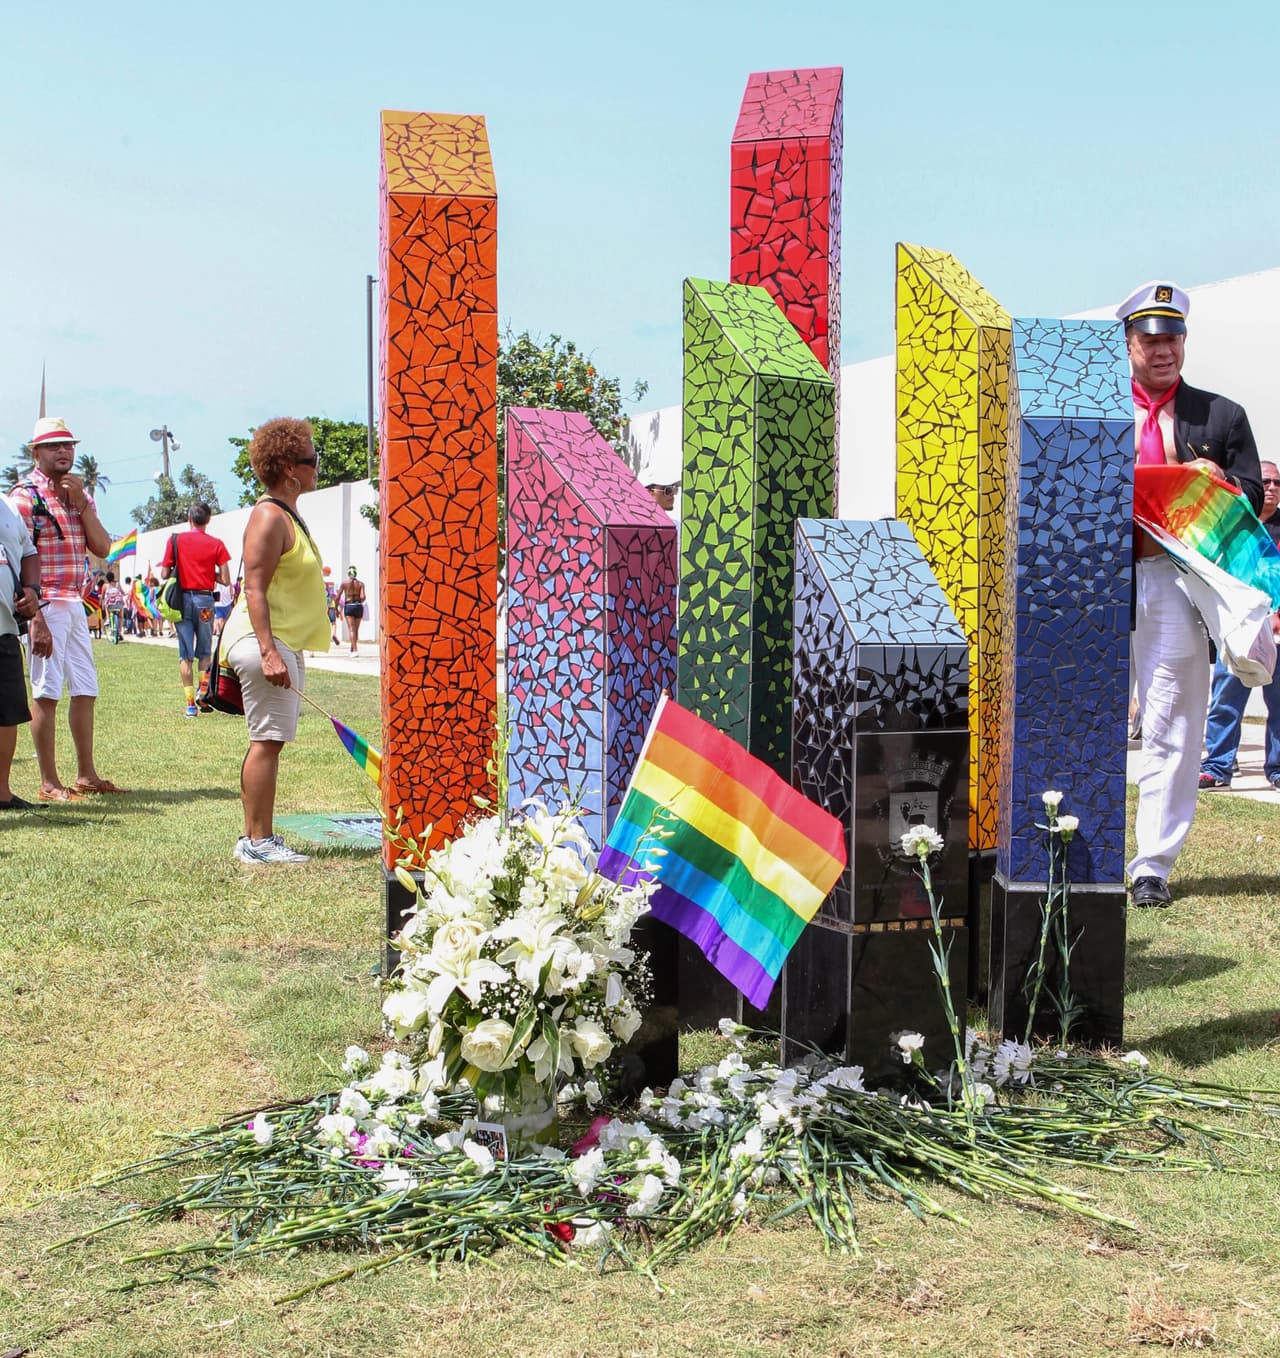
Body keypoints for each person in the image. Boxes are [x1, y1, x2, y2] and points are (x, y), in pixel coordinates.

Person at [1120, 282, 1262, 908]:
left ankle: (1152, 865)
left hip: (1175, 585)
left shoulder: (1221, 415)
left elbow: (1254, 494)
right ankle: (1072, 848)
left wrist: (1220, 480)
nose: (1164, 350)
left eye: (1173, 338)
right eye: (1151, 339)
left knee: (1173, 725)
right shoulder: (1095, 409)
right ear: (1129, 342)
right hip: (1096, 582)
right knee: (1085, 718)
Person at [221, 417, 329, 864]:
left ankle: (255, 838)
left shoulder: (287, 515)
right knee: (266, 740)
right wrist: (268, 651)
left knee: (269, 740)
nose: (317, 466)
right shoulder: (268, 516)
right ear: (288, 468)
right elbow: (254, 588)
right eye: (311, 459)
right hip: (262, 639)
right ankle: (258, 842)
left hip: (281, 639)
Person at [6, 417, 125, 801]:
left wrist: (84, 504)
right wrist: (35, 615)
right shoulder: (24, 497)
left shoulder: (78, 494)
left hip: (74, 601)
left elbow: (103, 547)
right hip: (46, 603)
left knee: (86, 688)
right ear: (36, 453)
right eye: (54, 446)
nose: (63, 451)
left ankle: (86, 774)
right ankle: (48, 781)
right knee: (46, 691)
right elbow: (16, 559)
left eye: (68, 445)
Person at [1198, 460, 1280, 792]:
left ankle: (1277, 769)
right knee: (1225, 700)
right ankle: (1217, 766)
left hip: (1277, 630)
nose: (1272, 488)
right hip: (1237, 629)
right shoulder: (1234, 525)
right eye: (1266, 481)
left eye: (1277, 483)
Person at [159, 502, 231, 717]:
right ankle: (203, 692)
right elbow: (225, 579)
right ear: (208, 520)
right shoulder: (217, 544)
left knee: (185, 654)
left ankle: (190, 705)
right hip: (205, 603)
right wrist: (208, 573)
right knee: (205, 652)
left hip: (181, 603)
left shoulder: (175, 540)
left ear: (189, 518)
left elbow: (164, 574)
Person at [0, 492, 41, 809]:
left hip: (4, 628)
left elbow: (29, 553)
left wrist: (32, 589)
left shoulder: (9, 507)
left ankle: (2, 792)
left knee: (7, 713)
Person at [334, 566, 367, 654]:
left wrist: (336, 608)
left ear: (348, 574)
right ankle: (352, 649)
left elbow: (337, 597)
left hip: (349, 606)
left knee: (351, 629)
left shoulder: (344, 583)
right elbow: (363, 597)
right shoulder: (361, 584)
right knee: (356, 629)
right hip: (358, 606)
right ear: (356, 573)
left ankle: (355, 650)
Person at [102, 571, 124, 644]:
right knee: (121, 616)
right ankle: (120, 631)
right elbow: (122, 592)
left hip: (110, 605)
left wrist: (102, 603)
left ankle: (108, 619)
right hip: (118, 604)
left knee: (106, 604)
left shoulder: (105, 586)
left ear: (107, 578)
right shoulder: (117, 584)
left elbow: (103, 596)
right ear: (113, 577)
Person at [323, 565, 339, 646]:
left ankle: (323, 637)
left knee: (322, 622)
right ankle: (333, 634)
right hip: (331, 604)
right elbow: (336, 594)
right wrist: (338, 607)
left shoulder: (320, 580)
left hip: (322, 604)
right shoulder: (334, 581)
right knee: (333, 622)